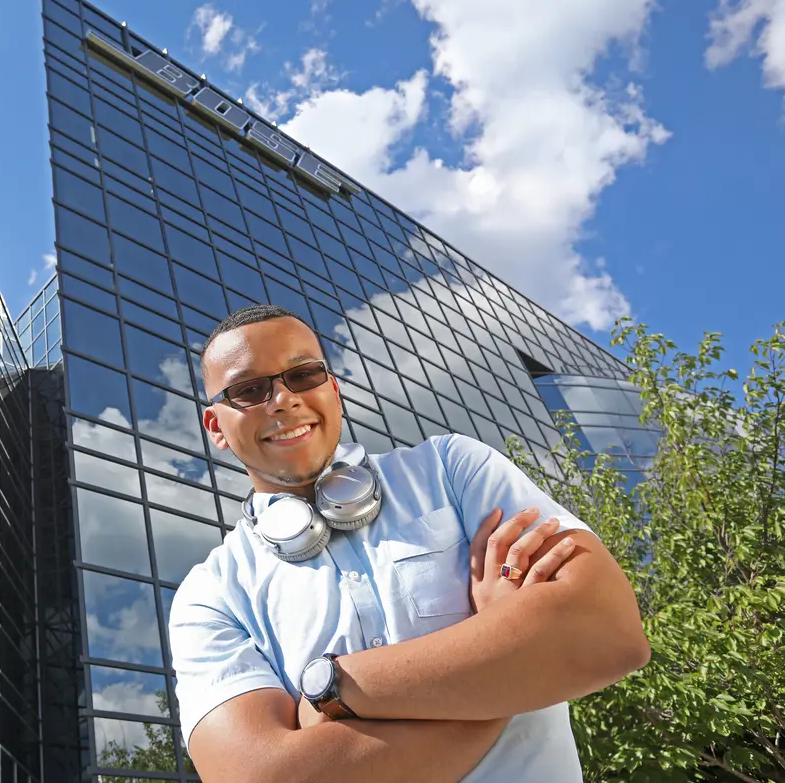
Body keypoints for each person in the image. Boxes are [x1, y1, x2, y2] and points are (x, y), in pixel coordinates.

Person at [168, 304, 650, 782]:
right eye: (250, 390)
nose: (282, 400)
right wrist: (505, 665)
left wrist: (331, 691)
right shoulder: (208, 594)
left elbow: (606, 631)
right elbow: (261, 778)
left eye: (303, 375)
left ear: (333, 390)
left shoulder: (453, 468)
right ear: (216, 427)